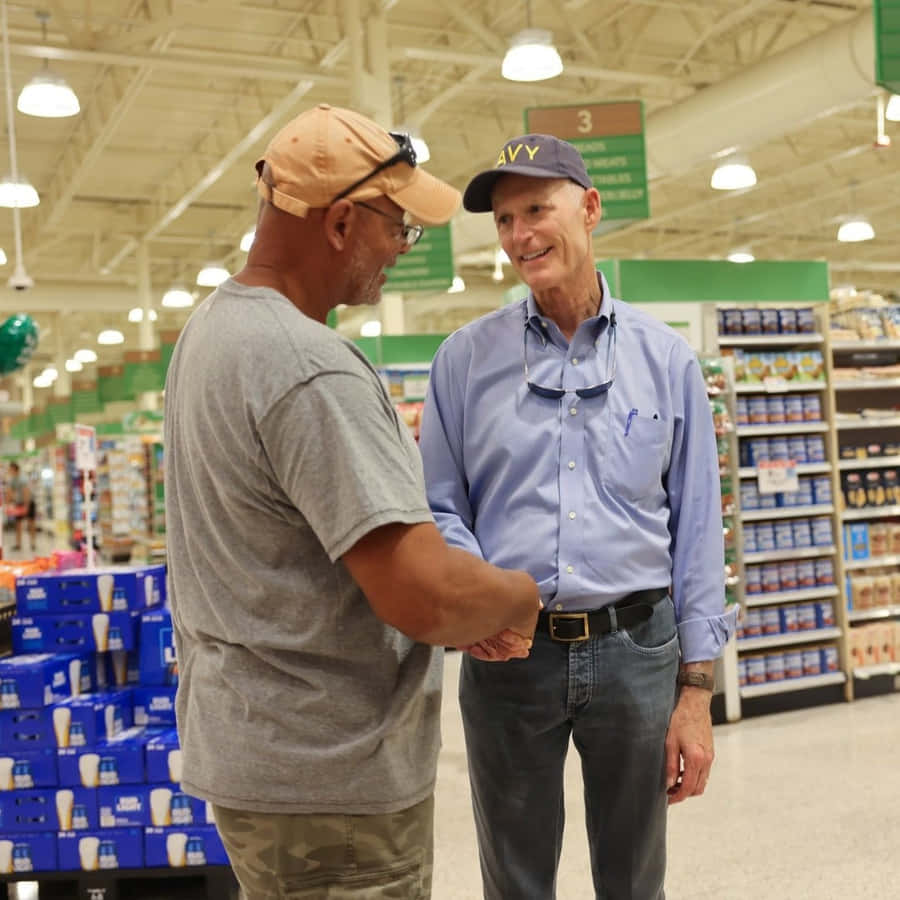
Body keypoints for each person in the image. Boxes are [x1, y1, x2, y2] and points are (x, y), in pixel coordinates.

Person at [163, 104, 541, 900]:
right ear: (339, 223)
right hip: (333, 786)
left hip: (259, 760)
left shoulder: (211, 334)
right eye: (396, 228)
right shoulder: (311, 367)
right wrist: (516, 595)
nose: (400, 251)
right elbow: (424, 596)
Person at [419, 133, 737, 900]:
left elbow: (696, 529)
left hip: (636, 649)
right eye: (503, 219)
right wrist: (479, 600)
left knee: (633, 881)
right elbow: (438, 507)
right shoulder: (463, 361)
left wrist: (697, 693)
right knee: (516, 880)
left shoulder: (666, 360)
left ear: (589, 209)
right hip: (507, 658)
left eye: (536, 209)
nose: (520, 235)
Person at [7, 461, 35, 552]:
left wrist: (26, 506)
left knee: (31, 523)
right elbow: (10, 492)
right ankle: (18, 544)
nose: (9, 471)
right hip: (19, 503)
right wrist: (9, 504)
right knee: (18, 524)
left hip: (28, 502)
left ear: (15, 469)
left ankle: (32, 543)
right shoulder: (12, 479)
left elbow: (26, 492)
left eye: (10, 469)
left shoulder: (23, 478)